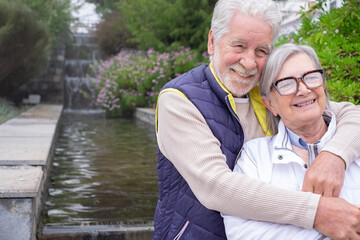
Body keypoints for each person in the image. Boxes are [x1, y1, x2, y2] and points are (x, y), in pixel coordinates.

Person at [153, 0, 360, 239]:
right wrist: (316, 211)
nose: (249, 63)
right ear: (212, 41)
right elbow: (216, 187)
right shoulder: (179, 100)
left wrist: (334, 157)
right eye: (239, 46)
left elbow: (346, 113)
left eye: (261, 51)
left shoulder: (268, 92)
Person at [222, 43, 360, 239]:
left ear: (323, 85)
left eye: (311, 77)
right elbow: (242, 233)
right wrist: (325, 223)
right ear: (270, 104)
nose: (303, 90)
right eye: (287, 83)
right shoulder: (255, 157)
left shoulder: (354, 139)